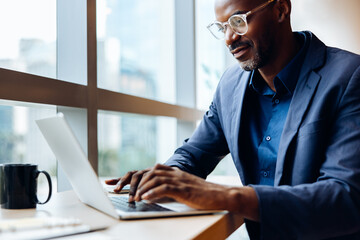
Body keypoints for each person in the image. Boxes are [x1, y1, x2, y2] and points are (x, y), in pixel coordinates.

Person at [106, 0, 360, 238]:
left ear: (281, 9)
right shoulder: (230, 85)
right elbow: (195, 153)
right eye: (222, 27)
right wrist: (163, 178)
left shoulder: (349, 76)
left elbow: (346, 198)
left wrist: (227, 196)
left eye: (239, 21)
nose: (229, 38)